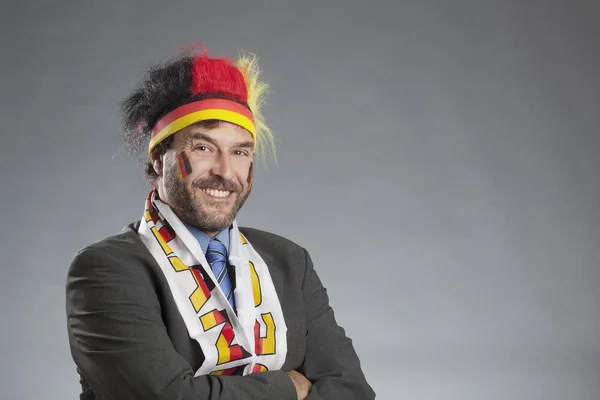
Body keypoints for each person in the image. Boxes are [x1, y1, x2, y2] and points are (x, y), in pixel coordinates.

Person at [65, 43, 375, 400]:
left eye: (240, 152)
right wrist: (289, 386)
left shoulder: (289, 260)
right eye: (203, 147)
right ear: (157, 159)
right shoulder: (106, 268)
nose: (225, 172)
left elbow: (353, 391)